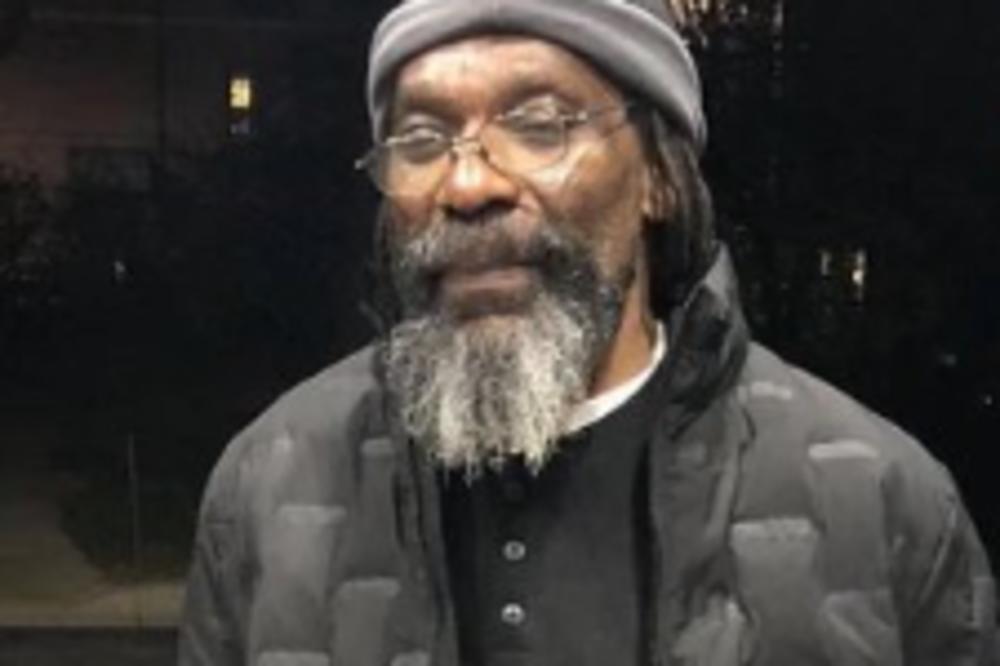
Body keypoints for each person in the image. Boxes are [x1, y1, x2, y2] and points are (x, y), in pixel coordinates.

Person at [178, 1, 997, 664]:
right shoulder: (266, 486)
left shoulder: (883, 504)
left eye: (539, 124)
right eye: (421, 139)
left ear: (659, 179)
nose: (468, 184)